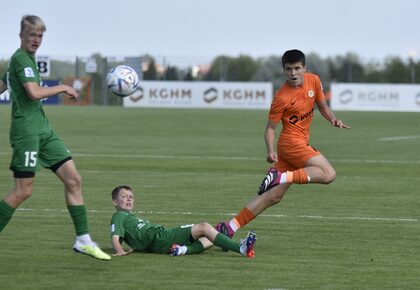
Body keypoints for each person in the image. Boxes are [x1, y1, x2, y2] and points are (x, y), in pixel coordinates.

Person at [0, 15, 110, 260]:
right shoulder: (20, 58)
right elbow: (33, 92)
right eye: (32, 35)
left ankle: (83, 240)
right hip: (27, 133)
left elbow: (3, 84)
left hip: (45, 132)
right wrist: (62, 87)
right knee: (22, 191)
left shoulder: (24, 59)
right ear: (21, 36)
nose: (36, 40)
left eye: (40, 36)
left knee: (73, 179)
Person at [216, 49, 350, 239]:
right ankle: (282, 176)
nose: (293, 73)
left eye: (296, 68)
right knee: (329, 174)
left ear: (304, 68)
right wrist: (270, 151)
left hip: (297, 144)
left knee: (273, 197)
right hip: (290, 144)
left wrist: (333, 119)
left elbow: (322, 106)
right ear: (284, 70)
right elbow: (270, 129)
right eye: (288, 69)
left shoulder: (314, 81)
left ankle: (229, 227)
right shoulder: (281, 97)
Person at [110, 185, 257, 257]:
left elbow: (135, 237)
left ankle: (183, 250)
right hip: (162, 237)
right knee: (204, 227)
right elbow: (115, 237)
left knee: (210, 237)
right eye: (124, 197)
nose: (128, 199)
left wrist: (138, 247)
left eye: (131, 196)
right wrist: (120, 251)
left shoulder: (131, 218)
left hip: (159, 240)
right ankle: (240, 248)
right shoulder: (119, 216)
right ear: (115, 202)